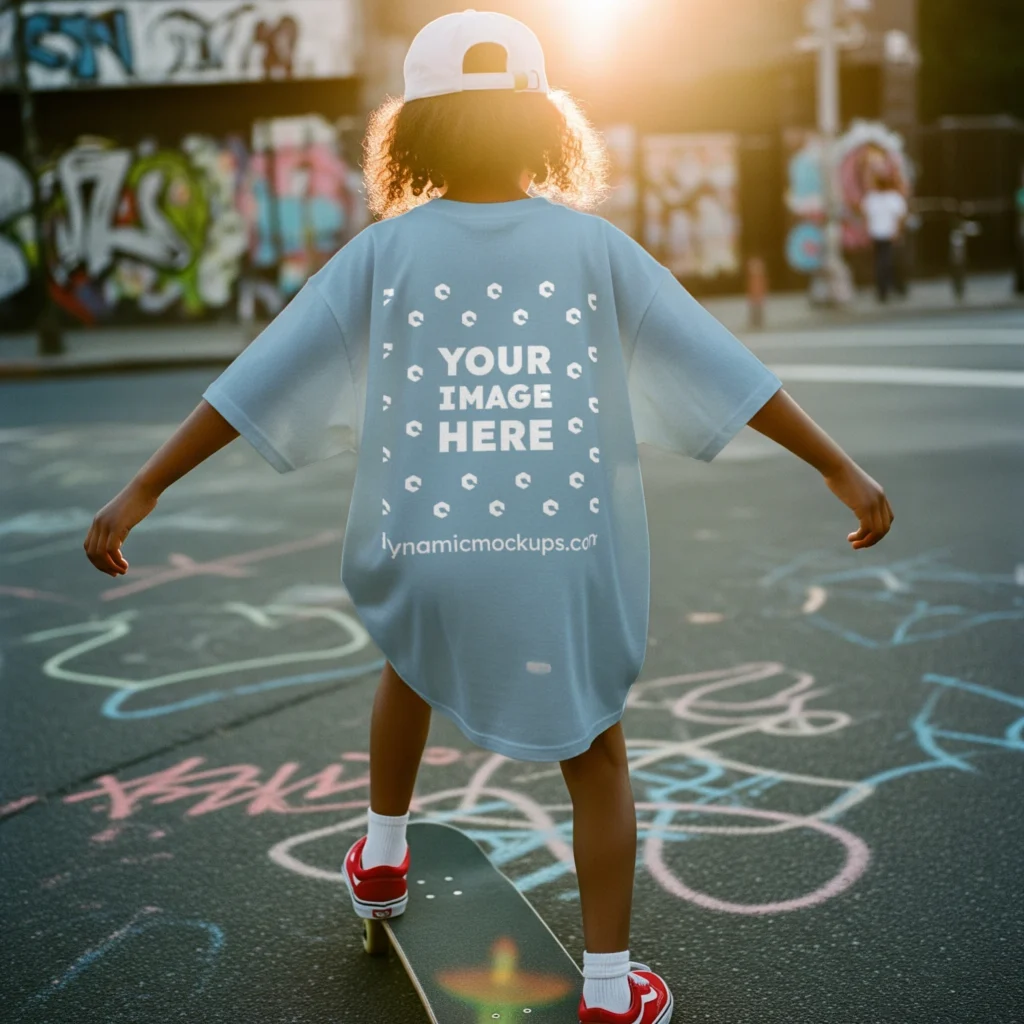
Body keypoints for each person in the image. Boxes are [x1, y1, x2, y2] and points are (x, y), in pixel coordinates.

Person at [83, 12, 894, 1023]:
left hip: (426, 550)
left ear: (412, 131)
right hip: (561, 556)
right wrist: (839, 468)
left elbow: (254, 382)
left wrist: (145, 486)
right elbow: (730, 373)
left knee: (409, 660)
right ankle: (608, 989)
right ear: (542, 125)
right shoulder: (596, 250)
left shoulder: (385, 254)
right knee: (594, 753)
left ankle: (381, 857)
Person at [860, 169, 909, 302]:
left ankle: (884, 290)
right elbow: (901, 217)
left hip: (878, 233)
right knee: (886, 262)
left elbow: (865, 217)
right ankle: (890, 288)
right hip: (888, 234)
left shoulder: (872, 198)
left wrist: (866, 232)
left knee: (882, 262)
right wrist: (898, 231)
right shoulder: (893, 198)